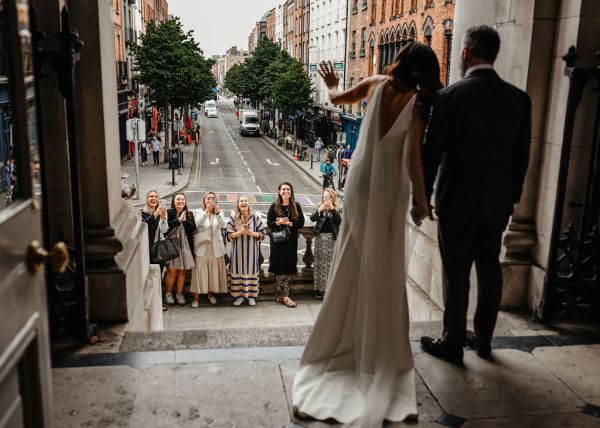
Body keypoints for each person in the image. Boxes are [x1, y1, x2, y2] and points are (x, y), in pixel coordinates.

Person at [292, 43, 438, 426]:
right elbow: (413, 159)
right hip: (389, 190)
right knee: (384, 266)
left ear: (401, 61)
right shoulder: (418, 104)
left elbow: (339, 98)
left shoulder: (375, 84)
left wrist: (332, 84)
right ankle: (377, 347)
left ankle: (342, 338)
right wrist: (421, 201)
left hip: (358, 186)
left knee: (353, 259)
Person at [419, 26, 532, 364]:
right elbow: (521, 157)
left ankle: (453, 341)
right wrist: (512, 197)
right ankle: (483, 339)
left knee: (456, 273)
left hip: (456, 202)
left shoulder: (450, 97)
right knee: (489, 268)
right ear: (493, 55)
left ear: (465, 53)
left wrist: (425, 196)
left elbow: (432, 153)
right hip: (496, 203)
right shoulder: (519, 99)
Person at [267, 182, 305, 308]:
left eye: (288, 189)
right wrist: (278, 222)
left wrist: (289, 224)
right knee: (279, 268)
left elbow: (301, 223)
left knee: (288, 268)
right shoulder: (274, 205)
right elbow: (269, 223)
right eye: (283, 189)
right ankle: (283, 295)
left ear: (291, 191)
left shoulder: (296, 205)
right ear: (279, 191)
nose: (286, 191)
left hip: (291, 241)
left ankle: (284, 294)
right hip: (278, 242)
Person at [190, 192, 228, 308]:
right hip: (202, 246)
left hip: (216, 248)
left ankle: (210, 294)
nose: (210, 200)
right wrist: (207, 211)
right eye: (208, 198)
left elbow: (222, 224)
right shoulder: (198, 212)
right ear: (204, 200)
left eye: (213, 198)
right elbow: (198, 223)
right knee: (199, 272)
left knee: (212, 272)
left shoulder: (219, 212)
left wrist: (216, 212)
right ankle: (196, 298)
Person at [226, 196, 266, 306]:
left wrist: (251, 233)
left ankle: (251, 296)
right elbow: (228, 235)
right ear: (238, 204)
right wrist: (241, 232)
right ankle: (239, 297)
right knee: (238, 272)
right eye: (241, 201)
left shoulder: (256, 218)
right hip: (237, 253)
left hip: (252, 253)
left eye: (245, 201)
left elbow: (263, 234)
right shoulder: (233, 218)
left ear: (248, 203)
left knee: (251, 272)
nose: (244, 203)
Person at [164, 192, 196, 306]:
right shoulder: (168, 213)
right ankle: (168, 293)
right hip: (172, 245)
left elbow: (193, 228)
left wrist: (184, 220)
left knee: (182, 271)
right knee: (172, 271)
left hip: (185, 246)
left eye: (182, 199)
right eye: (178, 199)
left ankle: (179, 294)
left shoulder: (189, 214)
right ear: (173, 201)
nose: (180, 201)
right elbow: (165, 228)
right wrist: (178, 221)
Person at [310, 188, 341, 299]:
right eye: (325, 196)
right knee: (320, 264)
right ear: (322, 197)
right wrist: (319, 210)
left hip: (332, 239)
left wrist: (332, 210)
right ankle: (320, 289)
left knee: (331, 265)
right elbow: (312, 218)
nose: (327, 199)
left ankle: (330, 289)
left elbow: (339, 221)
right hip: (320, 239)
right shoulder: (319, 207)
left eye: (329, 197)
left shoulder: (337, 208)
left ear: (333, 198)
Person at [141, 190, 168, 310]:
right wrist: (155, 215)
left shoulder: (160, 212)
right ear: (147, 199)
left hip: (158, 249)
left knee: (159, 276)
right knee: (148, 277)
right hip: (147, 250)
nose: (154, 198)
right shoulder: (143, 213)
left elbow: (164, 230)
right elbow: (143, 226)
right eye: (151, 196)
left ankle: (159, 303)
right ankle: (148, 303)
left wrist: (163, 218)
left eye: (156, 196)